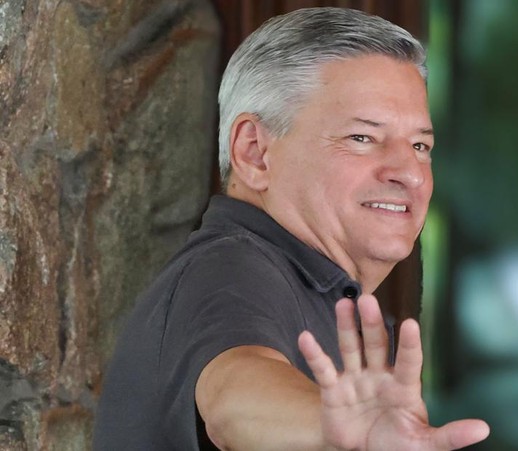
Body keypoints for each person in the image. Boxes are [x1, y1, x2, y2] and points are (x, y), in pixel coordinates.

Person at [93, 7, 490, 450]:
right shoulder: (231, 270)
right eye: (363, 138)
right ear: (254, 152)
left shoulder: (320, 293)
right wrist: (333, 426)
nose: (410, 173)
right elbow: (235, 396)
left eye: (420, 145)